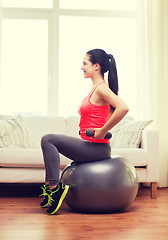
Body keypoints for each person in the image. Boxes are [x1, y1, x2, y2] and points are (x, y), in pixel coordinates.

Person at [40, 48, 129, 215]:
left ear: (96, 66)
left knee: (48, 139)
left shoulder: (101, 88)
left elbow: (123, 108)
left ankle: (54, 188)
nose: (82, 67)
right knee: (48, 144)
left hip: (97, 148)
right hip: (89, 145)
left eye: (84, 63)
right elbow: (106, 113)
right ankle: (50, 189)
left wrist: (103, 130)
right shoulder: (95, 88)